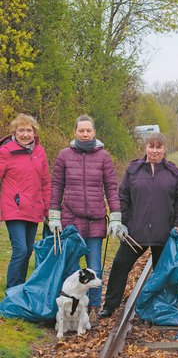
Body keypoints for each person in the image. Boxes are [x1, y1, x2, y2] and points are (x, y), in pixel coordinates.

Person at [100, 133, 178, 318]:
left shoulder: (173, 172)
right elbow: (122, 197)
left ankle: (166, 308)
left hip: (164, 232)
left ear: (164, 149)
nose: (154, 151)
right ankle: (109, 305)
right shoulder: (133, 170)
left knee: (166, 272)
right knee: (119, 265)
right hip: (135, 232)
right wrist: (125, 222)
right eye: (151, 146)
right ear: (145, 147)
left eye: (158, 147)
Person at [48, 115, 120, 325]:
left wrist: (115, 217)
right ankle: (70, 310)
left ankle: (93, 308)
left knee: (94, 267)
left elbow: (111, 188)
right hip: (71, 218)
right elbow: (57, 187)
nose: (85, 134)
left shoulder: (104, 157)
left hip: (96, 219)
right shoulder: (64, 156)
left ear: (94, 132)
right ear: (75, 132)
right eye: (81, 130)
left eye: (88, 130)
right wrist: (54, 215)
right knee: (71, 268)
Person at [0, 114, 51, 290]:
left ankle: (19, 289)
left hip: (34, 207)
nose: (25, 134)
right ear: (14, 132)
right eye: (21, 130)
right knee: (20, 250)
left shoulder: (39, 151)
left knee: (28, 251)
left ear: (34, 132)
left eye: (29, 130)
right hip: (14, 207)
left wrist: (47, 210)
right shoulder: (5, 151)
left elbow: (45, 182)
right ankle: (11, 290)